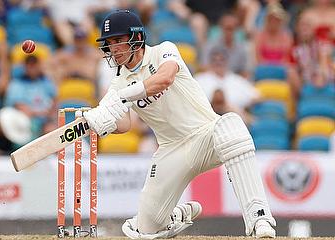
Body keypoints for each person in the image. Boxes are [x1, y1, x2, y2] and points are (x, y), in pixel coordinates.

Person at [82, 10, 276, 238]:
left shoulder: (164, 51)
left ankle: (259, 217)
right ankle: (172, 217)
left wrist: (123, 96)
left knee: (231, 125)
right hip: (171, 151)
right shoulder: (117, 84)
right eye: (109, 43)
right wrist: (98, 121)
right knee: (146, 229)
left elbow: (165, 79)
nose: (113, 48)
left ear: (136, 38)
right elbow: (124, 124)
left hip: (207, 136)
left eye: (117, 41)